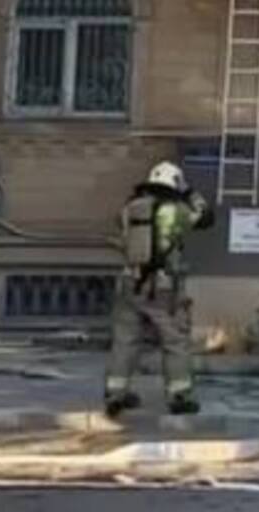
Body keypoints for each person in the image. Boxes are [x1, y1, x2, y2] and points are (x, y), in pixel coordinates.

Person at [105, 161, 213, 417]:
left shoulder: (128, 209)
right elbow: (206, 217)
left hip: (129, 282)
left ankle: (115, 393)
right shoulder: (174, 210)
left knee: (125, 340)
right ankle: (180, 396)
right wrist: (189, 192)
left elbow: (121, 238)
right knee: (175, 340)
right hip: (162, 287)